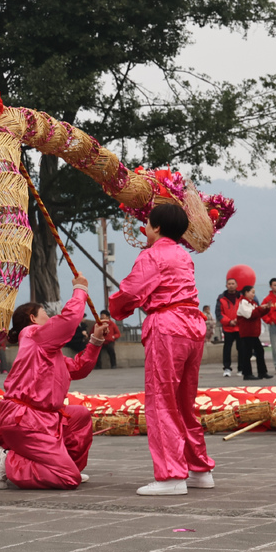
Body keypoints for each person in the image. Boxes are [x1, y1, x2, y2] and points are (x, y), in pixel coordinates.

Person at [108, 203, 214, 496]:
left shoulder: (152, 255)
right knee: (184, 402)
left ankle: (171, 475)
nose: (144, 228)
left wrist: (116, 308)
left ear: (155, 227)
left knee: (161, 400)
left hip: (168, 327)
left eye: (147, 223)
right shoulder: (183, 254)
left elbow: (130, 292)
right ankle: (199, 469)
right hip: (193, 326)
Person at [0, 278, 110, 490]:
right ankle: (10, 460)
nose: (50, 316)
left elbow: (78, 368)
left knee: (80, 415)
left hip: (41, 418)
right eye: (44, 312)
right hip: (25, 419)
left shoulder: (47, 350)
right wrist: (80, 289)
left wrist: (95, 340)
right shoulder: (32, 334)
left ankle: (64, 467)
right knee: (68, 479)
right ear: (33, 318)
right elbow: (68, 321)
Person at [236, 285, 267, 381]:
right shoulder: (243, 303)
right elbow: (249, 315)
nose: (253, 294)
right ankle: (247, 373)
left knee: (259, 351)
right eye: (252, 292)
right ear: (246, 292)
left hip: (253, 333)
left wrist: (266, 309)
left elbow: (258, 314)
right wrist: (260, 308)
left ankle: (262, 372)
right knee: (247, 353)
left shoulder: (252, 303)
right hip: (247, 332)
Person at [216, 276, 242, 378]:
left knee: (241, 348)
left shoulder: (241, 297)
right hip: (228, 327)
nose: (231, 286)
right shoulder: (221, 298)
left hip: (240, 327)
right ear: (226, 285)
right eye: (229, 284)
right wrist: (229, 321)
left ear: (236, 285)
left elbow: (245, 310)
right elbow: (219, 313)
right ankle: (227, 368)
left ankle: (241, 368)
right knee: (227, 348)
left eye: (233, 284)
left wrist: (238, 320)